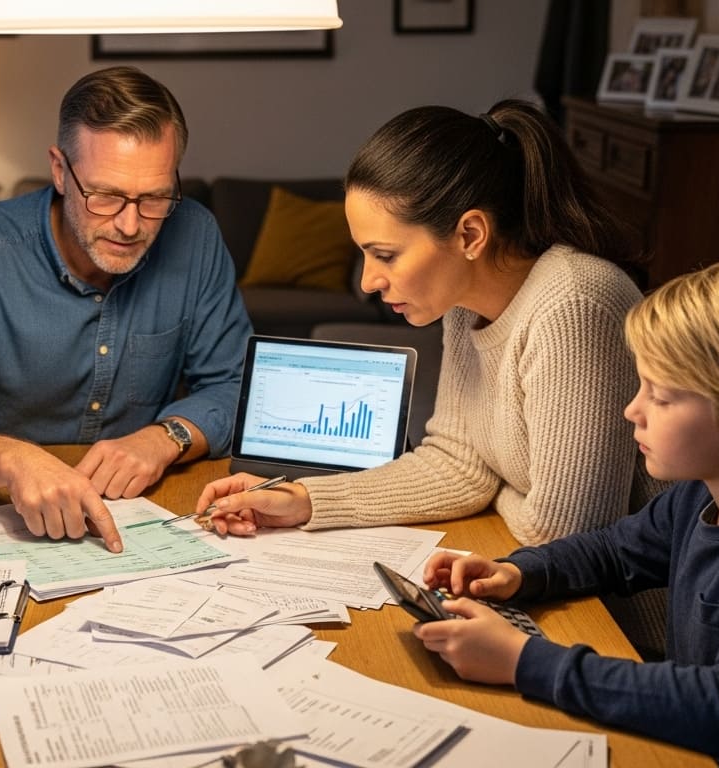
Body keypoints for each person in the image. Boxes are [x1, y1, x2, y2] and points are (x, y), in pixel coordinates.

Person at [197, 100, 666, 649]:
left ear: (470, 235)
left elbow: (564, 535)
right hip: (550, 605)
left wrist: (496, 488)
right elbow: (459, 463)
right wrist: (305, 500)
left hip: (626, 634)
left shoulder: (573, 304)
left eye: (386, 255)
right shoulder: (466, 302)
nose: (368, 281)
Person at [412, 257, 719, 765]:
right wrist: (516, 572)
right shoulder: (705, 493)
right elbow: (613, 551)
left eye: (659, 397)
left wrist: (522, 660)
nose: (631, 410)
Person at [0, 66, 251, 554]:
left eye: (155, 197)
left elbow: (236, 384)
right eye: (106, 196)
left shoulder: (195, 235)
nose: (130, 225)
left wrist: (166, 437)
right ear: (59, 170)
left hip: (141, 516)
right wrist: (12, 460)